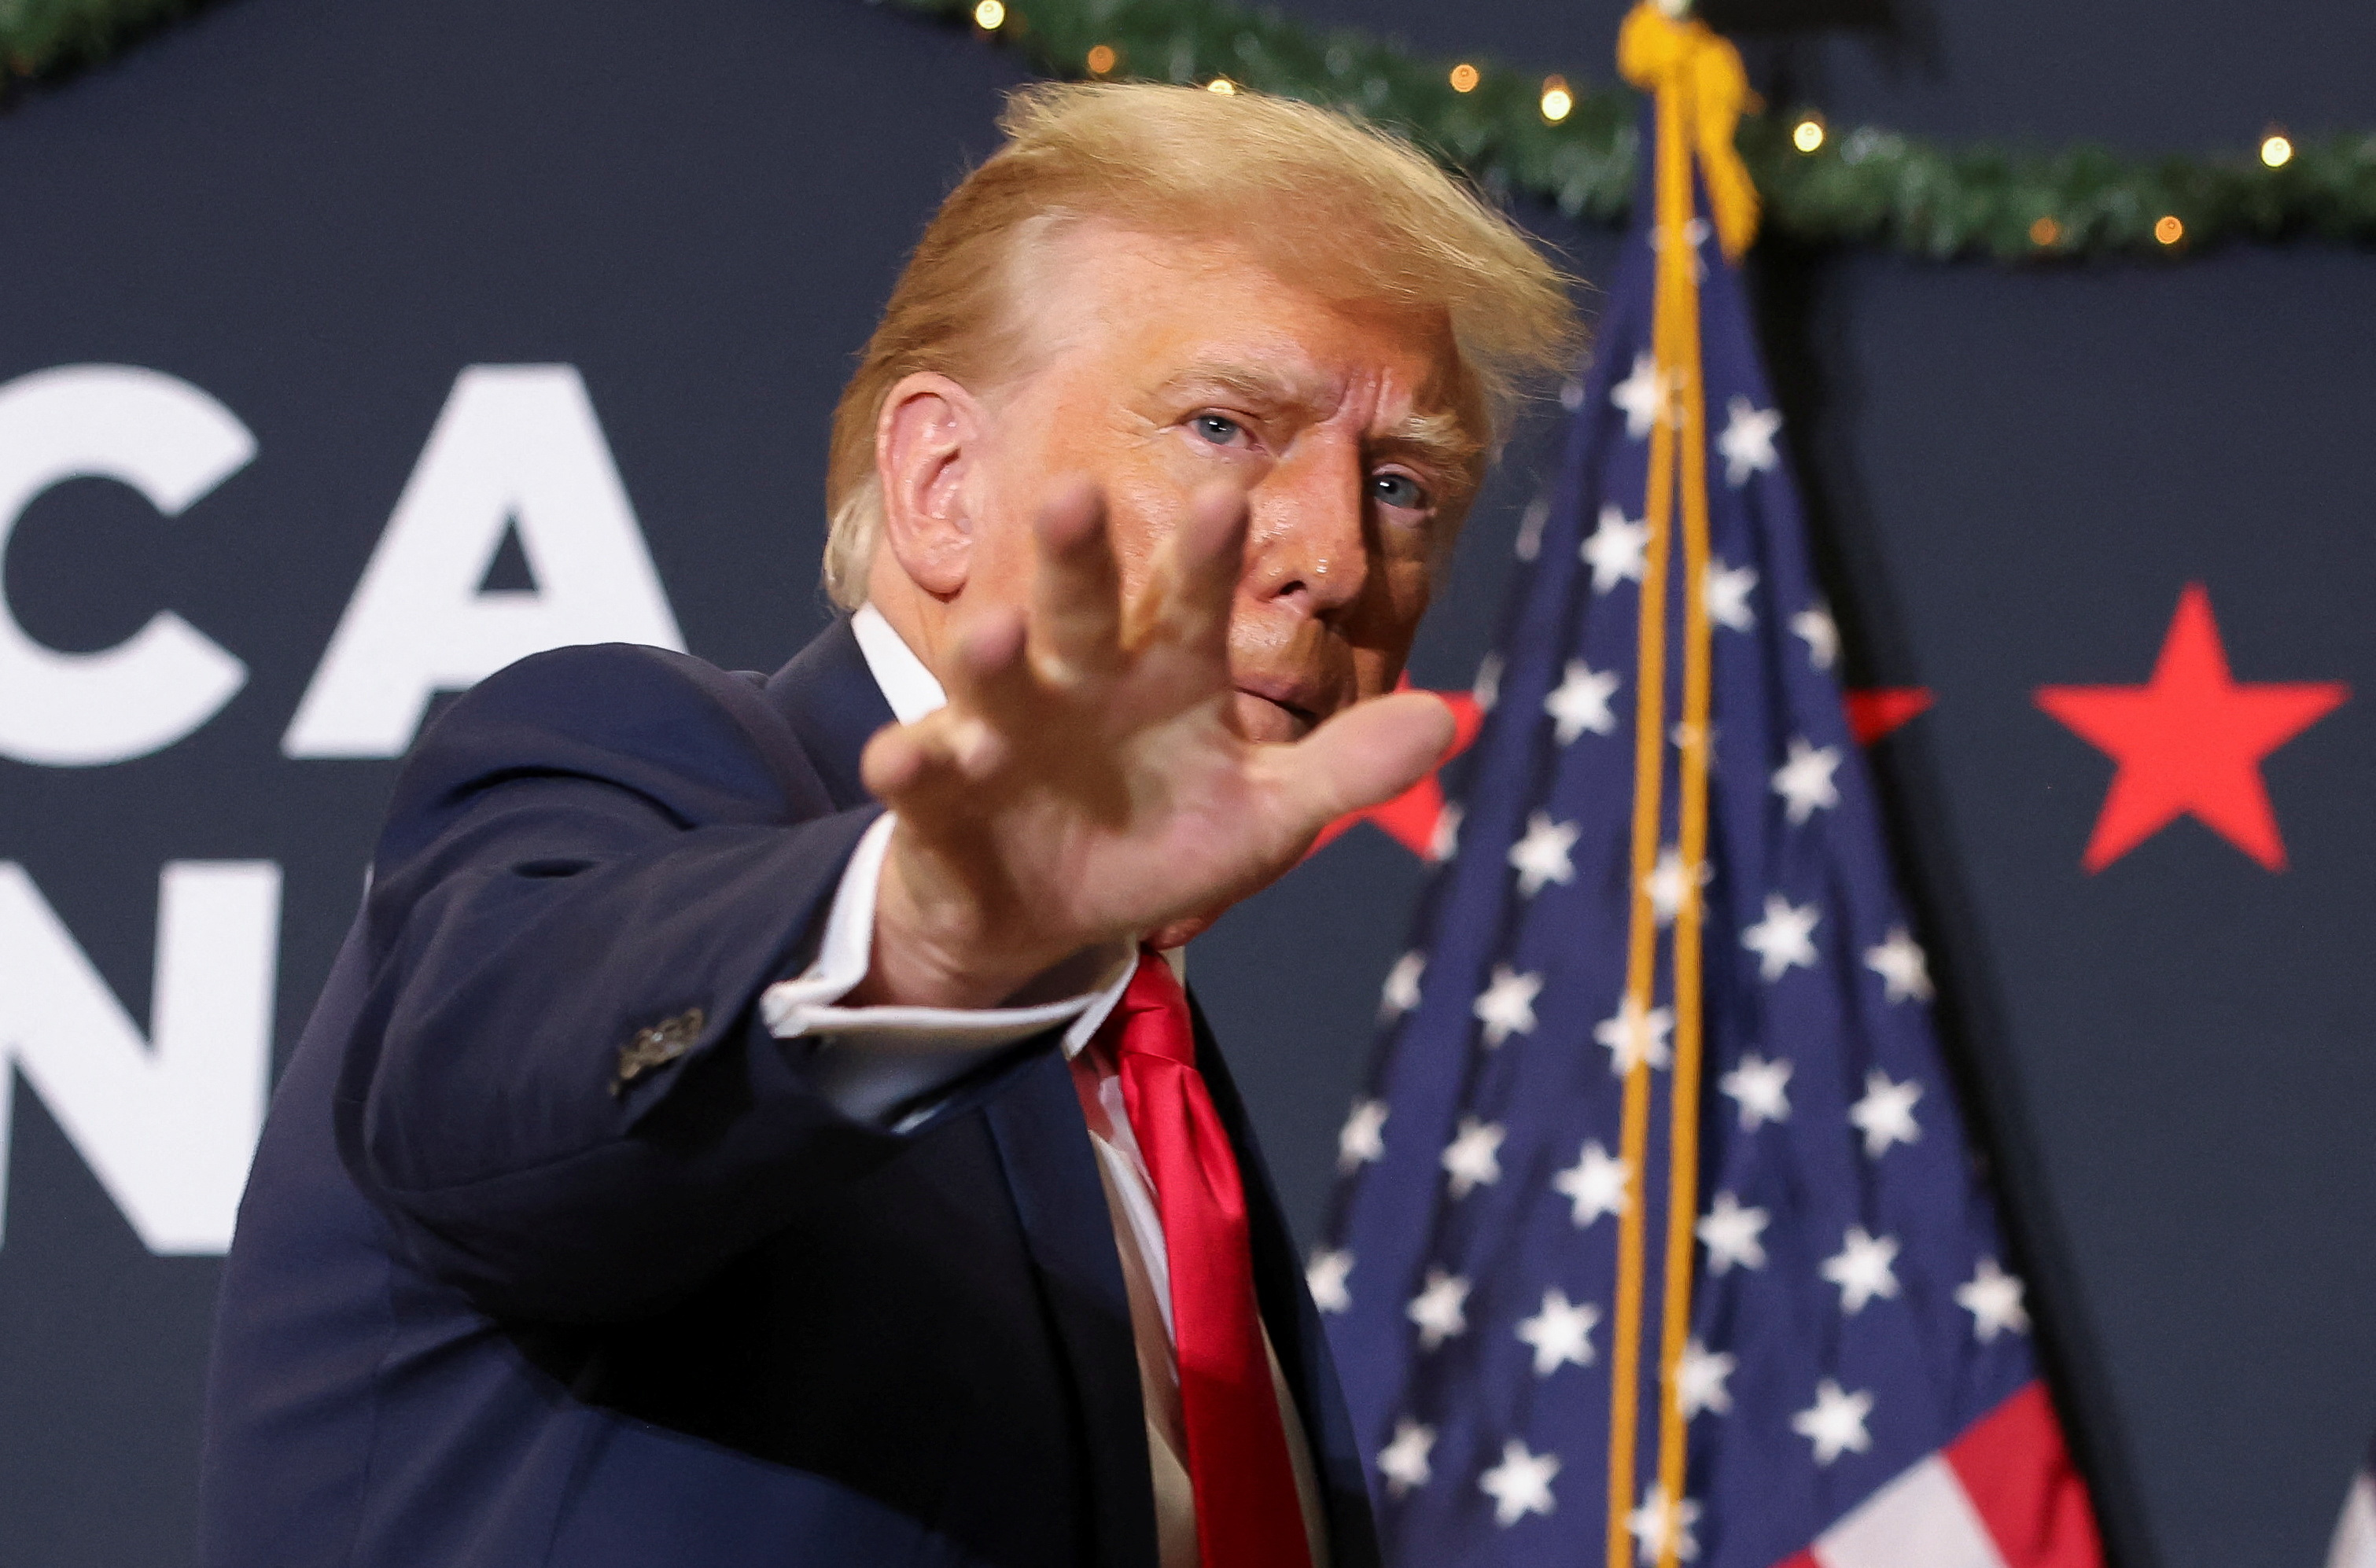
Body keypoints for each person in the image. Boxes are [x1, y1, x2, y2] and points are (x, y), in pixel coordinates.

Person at [198, 82, 1578, 1568]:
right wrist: (930, 932)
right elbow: (498, 1097)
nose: (1331, 553)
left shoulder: (1151, 1075)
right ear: (940, 486)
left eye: (1400, 484)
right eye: (1225, 424)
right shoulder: (637, 766)